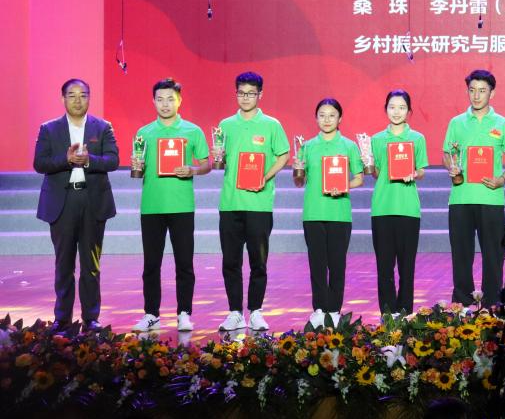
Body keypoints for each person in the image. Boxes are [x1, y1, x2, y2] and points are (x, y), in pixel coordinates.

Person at [33, 78, 119, 331]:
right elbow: (40, 163)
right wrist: (67, 159)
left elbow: (113, 160)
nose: (77, 100)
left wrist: (89, 160)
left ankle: (91, 318)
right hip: (63, 202)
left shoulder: (102, 127)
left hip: (92, 201)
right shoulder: (49, 129)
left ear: (89, 98)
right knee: (64, 264)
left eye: (83, 95)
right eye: (72, 95)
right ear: (63, 99)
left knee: (91, 265)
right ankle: (62, 319)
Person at [130, 78, 211, 332]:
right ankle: (151, 314)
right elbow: (137, 170)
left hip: (182, 206)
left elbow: (207, 164)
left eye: (170, 99)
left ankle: (184, 313)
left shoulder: (192, 131)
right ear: (153, 101)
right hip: (152, 207)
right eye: (160, 99)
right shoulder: (144, 133)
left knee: (184, 263)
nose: (165, 104)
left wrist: (192, 170)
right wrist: (136, 166)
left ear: (180, 101)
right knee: (151, 264)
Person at [212, 71, 289, 332]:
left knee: (258, 261)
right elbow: (220, 160)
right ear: (236, 93)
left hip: (259, 204)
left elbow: (283, 155)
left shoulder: (271, 125)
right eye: (241, 93)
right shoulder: (225, 125)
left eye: (251, 93)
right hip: (231, 203)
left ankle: (256, 311)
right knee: (230, 261)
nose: (245, 98)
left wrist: (265, 177)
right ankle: (235, 312)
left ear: (260, 95)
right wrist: (218, 156)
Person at [443, 69, 505, 307]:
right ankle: (463, 303)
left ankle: (491, 302)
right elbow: (447, 153)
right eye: (472, 90)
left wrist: (501, 179)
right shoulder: (456, 123)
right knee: (461, 254)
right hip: (461, 198)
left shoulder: (503, 124)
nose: (476, 96)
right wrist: (451, 166)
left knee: (493, 254)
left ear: (491, 93)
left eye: (482, 91)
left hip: (491, 198)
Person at [293, 98, 363, 329]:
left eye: (332, 115)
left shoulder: (349, 146)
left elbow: (359, 178)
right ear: (316, 118)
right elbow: (299, 182)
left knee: (337, 264)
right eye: (322, 115)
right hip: (313, 214)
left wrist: (344, 186)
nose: (326, 119)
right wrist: (297, 170)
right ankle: (319, 309)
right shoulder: (307, 147)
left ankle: (334, 310)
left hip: (339, 214)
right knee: (317, 264)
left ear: (340, 118)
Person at [367, 90, 427, 316]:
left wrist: (414, 173)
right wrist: (368, 163)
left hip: (408, 209)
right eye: (392, 107)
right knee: (384, 268)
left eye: (402, 107)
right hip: (382, 208)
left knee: (406, 267)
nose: (396, 112)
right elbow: (376, 173)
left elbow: (421, 170)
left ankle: (405, 313)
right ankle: (387, 314)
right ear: (386, 109)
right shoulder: (376, 140)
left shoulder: (417, 138)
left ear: (409, 111)